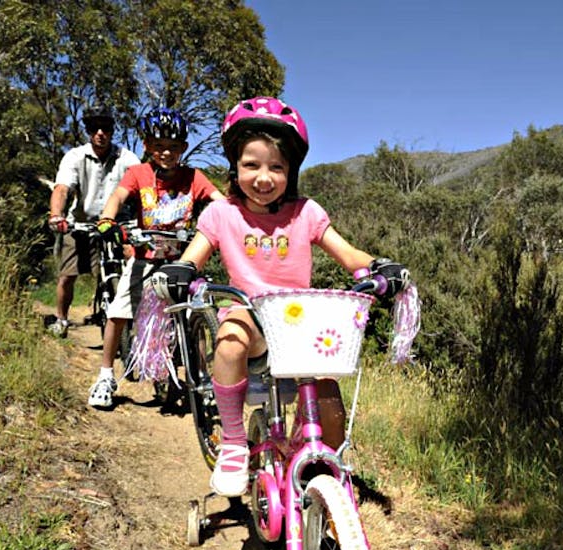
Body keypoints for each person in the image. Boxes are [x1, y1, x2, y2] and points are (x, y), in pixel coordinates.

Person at [154, 97, 409, 497]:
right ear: (234, 166)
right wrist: (183, 268)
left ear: (291, 171)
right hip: (252, 312)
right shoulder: (222, 214)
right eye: (251, 165)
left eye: (276, 166)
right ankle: (235, 443)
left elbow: (347, 254)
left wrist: (377, 266)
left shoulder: (305, 212)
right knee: (231, 336)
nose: (263, 177)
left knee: (329, 389)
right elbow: (195, 254)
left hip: (299, 320)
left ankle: (328, 463)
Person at [87, 107, 225, 409]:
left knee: (196, 312)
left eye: (173, 147)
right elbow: (118, 197)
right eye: (158, 145)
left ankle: (200, 376)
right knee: (120, 310)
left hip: (183, 260)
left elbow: (219, 202)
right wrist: (107, 219)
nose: (166, 152)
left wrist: (233, 216)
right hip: (144, 257)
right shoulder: (138, 173)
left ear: (183, 148)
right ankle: (105, 374)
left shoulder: (194, 177)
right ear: (147, 145)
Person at [48, 103, 140, 338]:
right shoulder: (75, 156)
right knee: (68, 274)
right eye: (94, 128)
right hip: (82, 222)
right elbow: (61, 189)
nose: (100, 133)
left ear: (112, 130)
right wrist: (56, 215)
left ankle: (138, 323)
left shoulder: (127, 158)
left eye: (106, 128)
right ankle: (62, 319)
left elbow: (144, 186)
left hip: (118, 224)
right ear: (88, 130)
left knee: (136, 266)